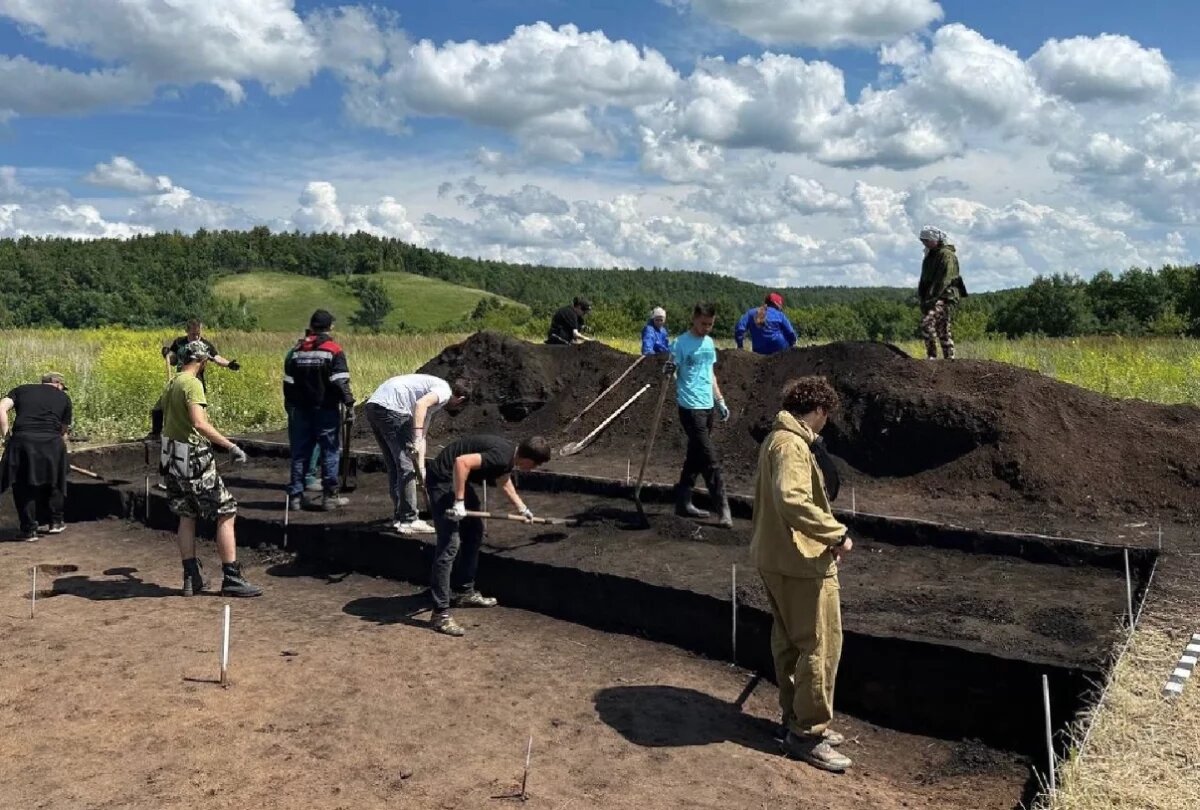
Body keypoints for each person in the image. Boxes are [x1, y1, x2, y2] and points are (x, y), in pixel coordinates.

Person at [752, 376, 852, 773]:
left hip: (775, 555)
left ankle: (794, 718)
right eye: (827, 416)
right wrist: (835, 534)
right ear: (820, 411)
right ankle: (808, 733)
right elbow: (792, 499)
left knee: (791, 642)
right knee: (820, 645)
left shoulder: (776, 438)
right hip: (799, 562)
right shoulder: (792, 445)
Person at [150, 341, 261, 597]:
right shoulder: (192, 384)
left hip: (172, 457)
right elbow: (200, 423)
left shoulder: (172, 382)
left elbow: (157, 413)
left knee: (186, 514)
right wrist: (230, 446)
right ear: (201, 360)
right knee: (226, 510)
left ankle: (191, 577)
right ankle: (231, 578)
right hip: (193, 458)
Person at [425, 434, 553, 636]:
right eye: (535, 465)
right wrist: (459, 502)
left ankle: (463, 591)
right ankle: (440, 614)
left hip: (457, 478)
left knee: (474, 532)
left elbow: (503, 480)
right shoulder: (502, 455)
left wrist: (522, 508)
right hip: (443, 479)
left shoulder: (510, 456)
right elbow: (461, 462)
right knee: (450, 544)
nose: (533, 469)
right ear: (528, 459)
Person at [365, 374, 471, 534]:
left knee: (396, 465)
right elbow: (420, 405)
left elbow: (421, 438)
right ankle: (409, 519)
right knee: (406, 467)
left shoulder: (432, 397)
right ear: (460, 399)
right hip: (392, 408)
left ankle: (399, 515)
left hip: (375, 406)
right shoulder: (443, 392)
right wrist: (415, 438)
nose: (455, 410)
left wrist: (421, 468)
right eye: (459, 407)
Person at [667, 302, 732, 527]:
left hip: (707, 406)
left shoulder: (709, 343)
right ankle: (723, 509)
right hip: (689, 407)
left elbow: (710, 373)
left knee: (695, 455)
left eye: (710, 324)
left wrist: (720, 400)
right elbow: (671, 369)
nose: (706, 328)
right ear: (694, 318)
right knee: (709, 457)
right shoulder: (681, 344)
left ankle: (683, 503)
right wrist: (669, 370)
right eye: (703, 323)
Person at [283, 309, 355, 511]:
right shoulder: (333, 350)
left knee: (300, 453)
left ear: (312, 326)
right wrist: (349, 404)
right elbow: (340, 381)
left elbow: (288, 383)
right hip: (325, 409)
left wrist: (293, 406)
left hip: (301, 411)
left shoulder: (297, 350)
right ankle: (329, 497)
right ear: (330, 326)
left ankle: (296, 497)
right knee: (330, 452)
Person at [0, 372, 72, 540]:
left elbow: (1, 407)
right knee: (55, 480)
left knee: (24, 484)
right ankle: (56, 523)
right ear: (57, 384)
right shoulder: (63, 397)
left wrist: (6, 436)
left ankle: (28, 530)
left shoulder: (22, 390)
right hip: (52, 442)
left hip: (23, 442)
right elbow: (63, 430)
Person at [917, 225, 968, 360]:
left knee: (927, 323)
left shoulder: (947, 256)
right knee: (943, 329)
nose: (925, 243)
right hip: (933, 296)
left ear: (935, 239)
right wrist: (923, 297)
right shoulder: (930, 256)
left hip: (945, 296)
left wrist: (932, 299)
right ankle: (949, 360)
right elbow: (924, 279)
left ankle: (932, 356)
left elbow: (944, 280)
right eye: (923, 241)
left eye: (927, 240)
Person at [163, 318, 240, 390]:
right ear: (187, 331)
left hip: (197, 383)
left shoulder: (205, 345)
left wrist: (228, 364)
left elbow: (217, 358)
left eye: (198, 334)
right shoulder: (179, 342)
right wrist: (167, 353)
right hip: (180, 382)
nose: (196, 337)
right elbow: (173, 361)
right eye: (193, 334)